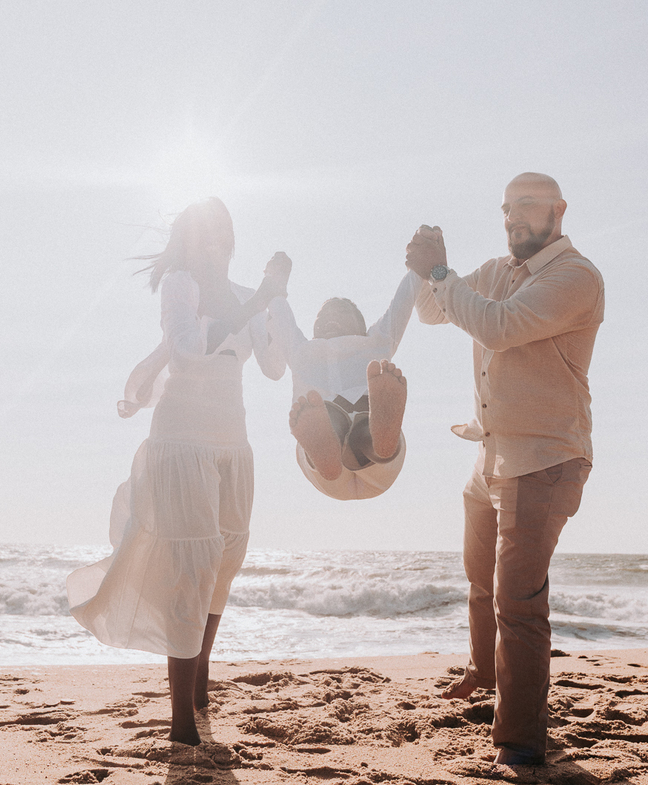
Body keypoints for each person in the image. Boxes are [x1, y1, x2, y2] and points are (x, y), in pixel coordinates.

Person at [66, 197, 289, 746]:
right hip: (181, 440)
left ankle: (200, 670)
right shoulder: (180, 286)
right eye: (202, 235)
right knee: (191, 566)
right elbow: (188, 351)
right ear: (188, 244)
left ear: (230, 240)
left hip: (232, 442)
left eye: (221, 233)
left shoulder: (246, 295)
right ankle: (182, 724)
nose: (213, 244)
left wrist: (276, 301)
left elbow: (273, 366)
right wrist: (258, 298)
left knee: (225, 560)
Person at [405, 173, 604, 766]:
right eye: (506, 208)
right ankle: (484, 675)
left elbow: (499, 326)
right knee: (481, 580)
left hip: (544, 459)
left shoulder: (577, 277)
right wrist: (425, 269)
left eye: (526, 205)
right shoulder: (496, 271)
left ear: (558, 210)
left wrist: (441, 272)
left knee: (518, 603)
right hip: (490, 454)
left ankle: (519, 744)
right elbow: (432, 311)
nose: (513, 217)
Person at [270, 269, 421, 500]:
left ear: (362, 327)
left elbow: (402, 302)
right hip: (327, 470)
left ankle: (378, 443)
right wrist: (275, 281)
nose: (329, 318)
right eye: (321, 317)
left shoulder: (376, 340)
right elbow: (282, 320)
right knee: (331, 418)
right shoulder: (302, 350)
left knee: (363, 424)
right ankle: (329, 448)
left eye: (340, 312)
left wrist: (417, 270)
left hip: (376, 462)